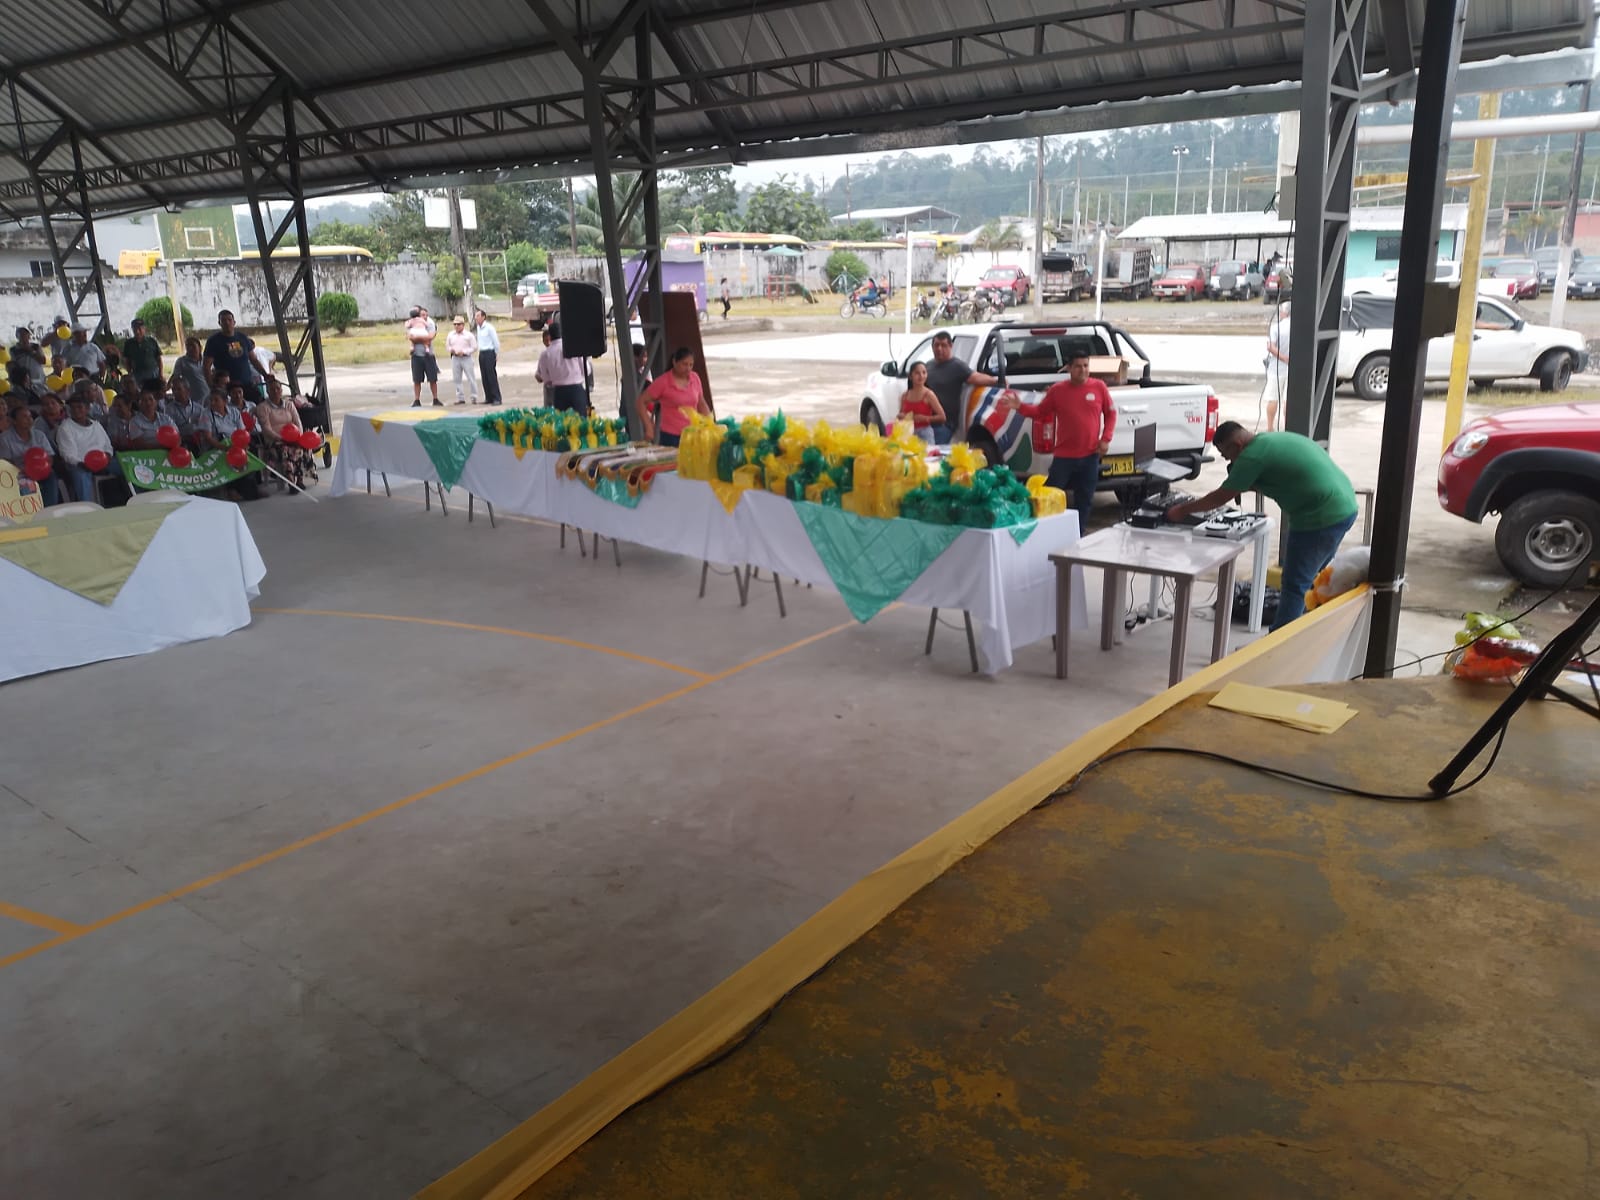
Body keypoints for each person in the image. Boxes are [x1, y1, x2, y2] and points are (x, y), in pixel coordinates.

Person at [1165, 421, 1358, 631]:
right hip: (1345, 506)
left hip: (1320, 517)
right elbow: (1282, 477)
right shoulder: (1268, 440)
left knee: (1295, 585)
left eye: (1226, 454)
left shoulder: (1251, 457)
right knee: (1313, 579)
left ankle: (1280, 641)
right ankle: (1305, 630)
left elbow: (1220, 497)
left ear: (1237, 445)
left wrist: (1182, 510)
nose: (1227, 460)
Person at [1003, 351, 1115, 523]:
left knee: (1085, 501)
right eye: (1078, 366)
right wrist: (1020, 407)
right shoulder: (1057, 390)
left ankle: (1079, 534)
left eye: (1086, 366)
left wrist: (1106, 439)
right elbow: (1039, 412)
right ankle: (1048, 531)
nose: (1083, 370)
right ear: (1069, 368)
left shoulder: (1099, 387)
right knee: (1050, 496)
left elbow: (1111, 414)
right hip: (1064, 457)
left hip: (1090, 456)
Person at [923, 330, 1001, 443]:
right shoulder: (928, 365)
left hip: (944, 424)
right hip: (926, 422)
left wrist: (996, 380)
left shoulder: (957, 366)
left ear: (950, 346)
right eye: (936, 345)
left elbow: (976, 377)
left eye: (943, 345)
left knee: (933, 452)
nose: (939, 349)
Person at [194, 388, 259, 501]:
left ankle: (250, 488)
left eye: (216, 400)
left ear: (225, 401)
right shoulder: (206, 414)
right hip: (216, 446)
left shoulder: (234, 412)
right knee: (228, 457)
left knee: (250, 452)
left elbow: (242, 431)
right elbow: (208, 438)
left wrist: (243, 444)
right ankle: (231, 489)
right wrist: (225, 447)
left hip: (235, 443)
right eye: (211, 400)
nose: (212, 403)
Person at [638, 347, 709, 447]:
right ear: (674, 362)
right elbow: (641, 402)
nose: (688, 368)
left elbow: (701, 403)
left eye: (691, 365)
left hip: (693, 434)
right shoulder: (663, 381)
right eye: (684, 364)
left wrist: (709, 424)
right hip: (671, 436)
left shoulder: (695, 378)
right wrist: (649, 426)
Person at [56, 393, 115, 502]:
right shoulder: (65, 428)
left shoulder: (96, 425)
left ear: (87, 408)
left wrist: (107, 456)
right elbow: (68, 454)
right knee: (81, 477)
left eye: (79, 407)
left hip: (103, 461)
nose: (76, 410)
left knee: (125, 467)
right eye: (73, 408)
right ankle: (88, 507)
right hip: (80, 465)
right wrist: (84, 464)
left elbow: (108, 446)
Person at [255, 377, 310, 490]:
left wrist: (299, 435)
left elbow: (297, 422)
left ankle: (299, 479)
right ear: (267, 391)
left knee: (302, 446)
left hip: (293, 437)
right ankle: (291, 481)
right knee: (285, 449)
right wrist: (282, 438)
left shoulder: (289, 404)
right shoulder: (262, 407)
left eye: (277, 388)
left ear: (281, 390)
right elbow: (266, 429)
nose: (275, 391)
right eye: (272, 389)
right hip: (275, 440)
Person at [0, 405, 61, 506]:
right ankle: (32, 509)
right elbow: (6, 463)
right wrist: (25, 470)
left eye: (30, 416)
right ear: (14, 421)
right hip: (19, 474)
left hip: (41, 471)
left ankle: (49, 509)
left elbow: (49, 456)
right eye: (24, 417)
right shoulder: (4, 439)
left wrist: (43, 468)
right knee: (26, 487)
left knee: (51, 475)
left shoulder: (39, 435)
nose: (29, 419)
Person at [535, 321, 589, 414]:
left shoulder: (545, 354)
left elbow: (546, 378)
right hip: (577, 389)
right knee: (581, 419)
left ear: (550, 336)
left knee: (561, 420)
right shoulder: (574, 347)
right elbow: (586, 370)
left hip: (559, 392)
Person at [202, 310, 258, 394]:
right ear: (219, 323)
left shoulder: (242, 338)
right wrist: (211, 386)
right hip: (226, 387)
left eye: (229, 320)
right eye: (223, 320)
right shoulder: (213, 341)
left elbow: (254, 360)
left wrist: (265, 374)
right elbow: (206, 367)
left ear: (234, 322)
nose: (227, 323)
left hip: (246, 384)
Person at [896, 361, 946, 445]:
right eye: (917, 373)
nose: (921, 376)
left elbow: (942, 417)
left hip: (925, 434)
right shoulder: (905, 395)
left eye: (924, 372)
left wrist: (925, 418)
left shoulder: (929, 395)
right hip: (908, 435)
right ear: (910, 376)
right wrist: (901, 416)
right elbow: (900, 416)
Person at [405, 306, 440, 407]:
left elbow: (430, 337)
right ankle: (417, 400)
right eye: (422, 315)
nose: (425, 317)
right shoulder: (413, 322)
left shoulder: (430, 323)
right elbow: (410, 337)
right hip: (416, 355)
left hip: (429, 355)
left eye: (426, 315)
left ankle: (435, 399)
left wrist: (417, 338)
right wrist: (423, 338)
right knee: (417, 379)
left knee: (433, 379)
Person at [1262, 300, 1289, 432]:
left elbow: (1270, 347)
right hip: (1292, 369)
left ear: (1284, 312)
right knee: (1288, 400)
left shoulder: (1276, 327)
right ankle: (1288, 429)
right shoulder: (1298, 328)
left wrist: (1283, 358)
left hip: (1276, 368)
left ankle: (1270, 427)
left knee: (1273, 398)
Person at [445, 315, 478, 405]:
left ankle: (474, 397)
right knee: (457, 379)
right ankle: (460, 398)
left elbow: (474, 347)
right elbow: (447, 346)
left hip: (466, 358)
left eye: (459, 324)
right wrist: (451, 350)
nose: (456, 326)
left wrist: (464, 352)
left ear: (463, 325)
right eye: (455, 324)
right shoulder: (451, 335)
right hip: (455, 358)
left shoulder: (469, 335)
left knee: (471, 378)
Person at [121, 318, 164, 389]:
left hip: (153, 374)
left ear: (144, 328)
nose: (137, 332)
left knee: (154, 392)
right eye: (135, 329)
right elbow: (127, 361)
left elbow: (159, 359)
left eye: (139, 329)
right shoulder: (128, 343)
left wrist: (161, 374)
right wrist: (130, 374)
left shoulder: (151, 341)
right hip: (137, 375)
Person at [473, 308, 502, 405]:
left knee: (491, 376)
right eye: (475, 316)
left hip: (489, 352)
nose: (476, 318)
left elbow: (496, 341)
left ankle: (497, 398)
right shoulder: (478, 328)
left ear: (483, 317)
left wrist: (496, 353)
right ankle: (488, 397)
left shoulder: (489, 328)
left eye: (478, 316)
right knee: (484, 376)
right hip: (482, 353)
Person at [171, 335, 209, 402]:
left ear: (200, 347)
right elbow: (175, 378)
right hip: (193, 399)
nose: (190, 348)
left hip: (209, 397)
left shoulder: (207, 360)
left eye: (193, 346)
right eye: (188, 346)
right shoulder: (181, 361)